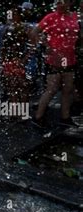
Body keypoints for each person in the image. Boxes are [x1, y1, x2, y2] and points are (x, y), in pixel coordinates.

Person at [31, 0, 80, 128]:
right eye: (58, 2)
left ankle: (65, 117)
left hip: (69, 58)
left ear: (69, 3)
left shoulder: (74, 17)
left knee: (67, 89)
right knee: (51, 90)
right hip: (54, 59)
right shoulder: (50, 17)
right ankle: (38, 117)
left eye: (63, 2)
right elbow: (34, 32)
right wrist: (46, 46)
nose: (60, 5)